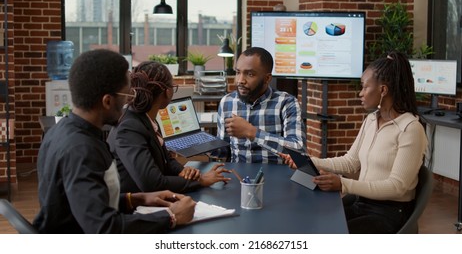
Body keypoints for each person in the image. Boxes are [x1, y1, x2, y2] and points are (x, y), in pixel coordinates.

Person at [33, 49, 196, 233]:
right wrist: (171, 217)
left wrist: (135, 199)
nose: (129, 104)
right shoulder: (81, 150)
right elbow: (104, 227)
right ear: (107, 101)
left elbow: (86, 201)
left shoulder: (61, 131)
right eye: (127, 96)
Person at [282, 51, 428, 234]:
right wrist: (308, 160)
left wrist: (344, 184)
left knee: (329, 232)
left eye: (364, 87)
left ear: (383, 90)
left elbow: (397, 187)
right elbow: (350, 162)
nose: (360, 93)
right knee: (312, 221)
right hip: (363, 203)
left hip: (389, 213)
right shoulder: (371, 120)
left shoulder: (410, 128)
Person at [106, 61, 231, 194]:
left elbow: (166, 159)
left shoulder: (146, 118)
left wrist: (182, 171)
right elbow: (152, 183)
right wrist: (200, 180)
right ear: (167, 92)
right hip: (135, 206)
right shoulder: (129, 127)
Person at [215, 47, 306, 163]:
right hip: (239, 176)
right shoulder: (226, 102)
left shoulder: (286, 103)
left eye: (250, 74)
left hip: (277, 175)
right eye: (238, 72)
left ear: (267, 78)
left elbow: (299, 150)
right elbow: (224, 151)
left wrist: (252, 132)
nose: (240, 80)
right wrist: (205, 148)